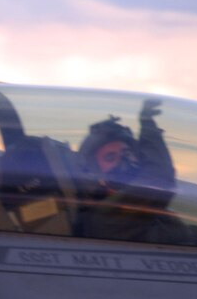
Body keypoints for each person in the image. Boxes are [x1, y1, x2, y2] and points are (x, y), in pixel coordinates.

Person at [76, 99, 189, 244]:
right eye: (110, 157)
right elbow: (159, 179)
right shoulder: (109, 216)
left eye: (127, 152)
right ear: (95, 172)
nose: (123, 160)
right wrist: (148, 127)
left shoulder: (148, 207)